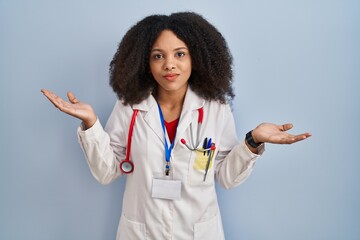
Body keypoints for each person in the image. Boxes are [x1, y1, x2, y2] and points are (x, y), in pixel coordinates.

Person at [41, 12, 311, 240]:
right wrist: (90, 124)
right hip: (141, 232)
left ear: (197, 58)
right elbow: (106, 172)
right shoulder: (129, 107)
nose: (169, 64)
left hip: (198, 232)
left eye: (180, 54)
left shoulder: (215, 108)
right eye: (158, 56)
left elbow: (227, 177)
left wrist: (253, 141)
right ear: (145, 63)